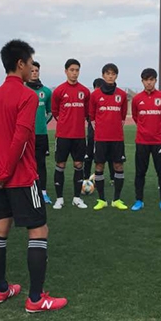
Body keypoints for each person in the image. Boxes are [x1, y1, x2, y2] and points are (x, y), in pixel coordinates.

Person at [0, 39, 67, 312]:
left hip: (0, 179)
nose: (32, 68)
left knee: (0, 229)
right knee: (39, 230)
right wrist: (5, 173)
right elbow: (20, 139)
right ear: (20, 64)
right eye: (30, 63)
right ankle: (35, 299)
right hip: (20, 177)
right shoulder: (27, 96)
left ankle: (0, 289)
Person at [51, 59, 90, 209]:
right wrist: (65, 123)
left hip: (79, 136)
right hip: (63, 136)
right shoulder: (59, 91)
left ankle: (77, 198)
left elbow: (86, 112)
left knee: (78, 164)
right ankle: (59, 198)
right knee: (60, 164)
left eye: (77, 70)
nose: (74, 73)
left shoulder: (85, 91)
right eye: (72, 70)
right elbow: (55, 111)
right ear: (66, 71)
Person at [89, 63, 129, 210]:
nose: (110, 76)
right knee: (99, 166)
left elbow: (123, 116)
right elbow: (92, 116)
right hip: (100, 139)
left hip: (117, 138)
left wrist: (114, 129)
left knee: (118, 166)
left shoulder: (122, 95)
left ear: (116, 76)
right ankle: (101, 200)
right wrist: (101, 130)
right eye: (108, 73)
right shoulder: (95, 95)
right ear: (103, 75)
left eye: (113, 73)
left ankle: (116, 199)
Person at [131, 68, 161, 212]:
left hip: (159, 141)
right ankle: (139, 200)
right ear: (142, 81)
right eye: (146, 80)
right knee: (140, 173)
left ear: (155, 80)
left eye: (151, 79)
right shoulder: (136, 99)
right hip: (142, 141)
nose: (149, 82)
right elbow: (136, 117)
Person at [26, 61, 53, 204]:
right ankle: (27, 192)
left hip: (41, 135)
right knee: (25, 164)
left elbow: (50, 112)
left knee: (40, 164)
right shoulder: (22, 89)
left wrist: (42, 123)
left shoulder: (46, 91)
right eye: (32, 70)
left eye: (36, 70)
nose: (34, 73)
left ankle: (43, 192)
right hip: (25, 135)